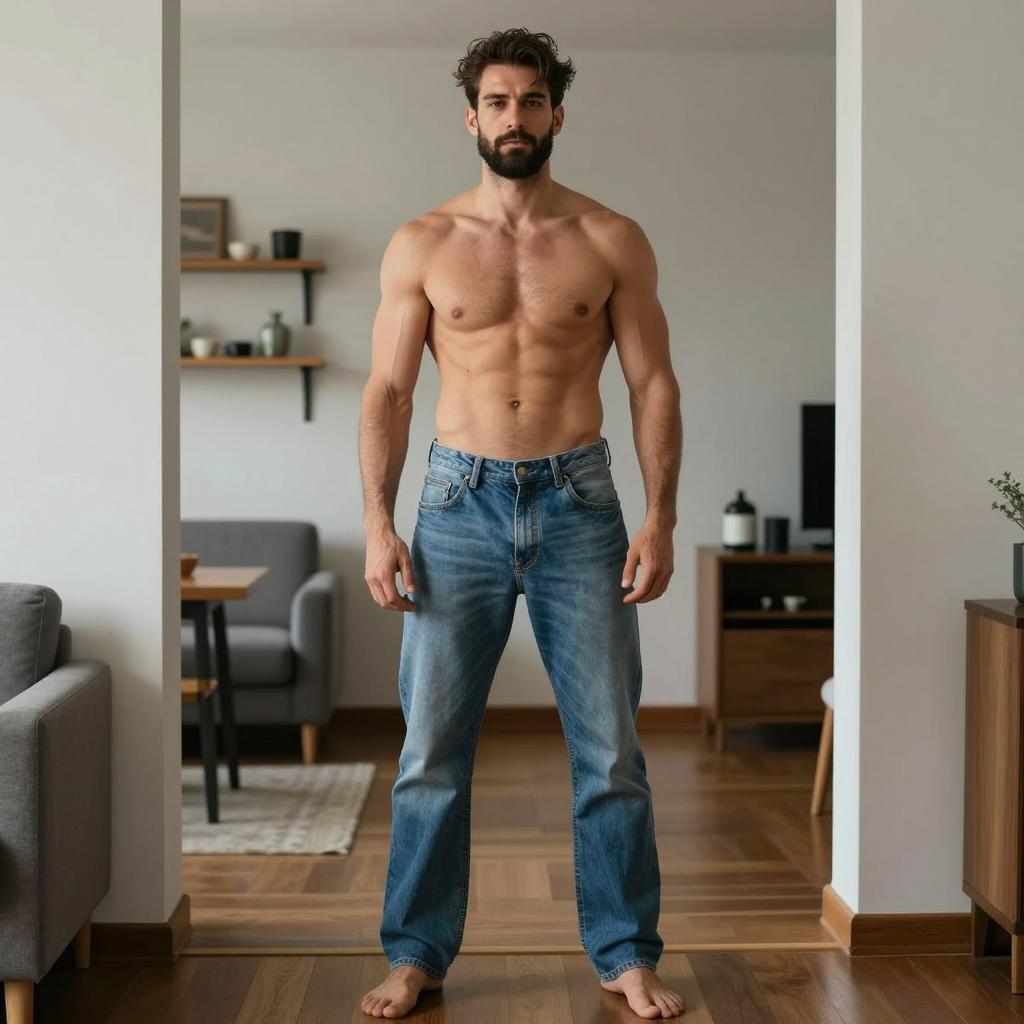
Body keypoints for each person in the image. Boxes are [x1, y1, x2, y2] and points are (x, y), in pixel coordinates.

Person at [358, 27, 684, 1020]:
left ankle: (625, 954)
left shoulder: (608, 237)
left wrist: (660, 515)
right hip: (455, 503)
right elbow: (387, 389)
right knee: (430, 753)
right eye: (496, 102)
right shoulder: (422, 242)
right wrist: (378, 523)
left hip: (580, 502)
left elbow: (651, 382)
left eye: (530, 101)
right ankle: (415, 953)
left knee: (610, 750)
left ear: (555, 114)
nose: (513, 117)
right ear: (471, 117)